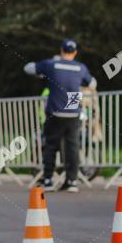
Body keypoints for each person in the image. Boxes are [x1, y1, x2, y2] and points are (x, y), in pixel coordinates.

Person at [24, 40, 96, 193]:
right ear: (75, 52)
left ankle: (48, 180)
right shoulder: (80, 68)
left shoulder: (52, 65)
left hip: (55, 111)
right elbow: (92, 83)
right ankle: (71, 181)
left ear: (61, 50)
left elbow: (28, 68)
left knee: (50, 146)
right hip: (73, 112)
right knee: (73, 148)